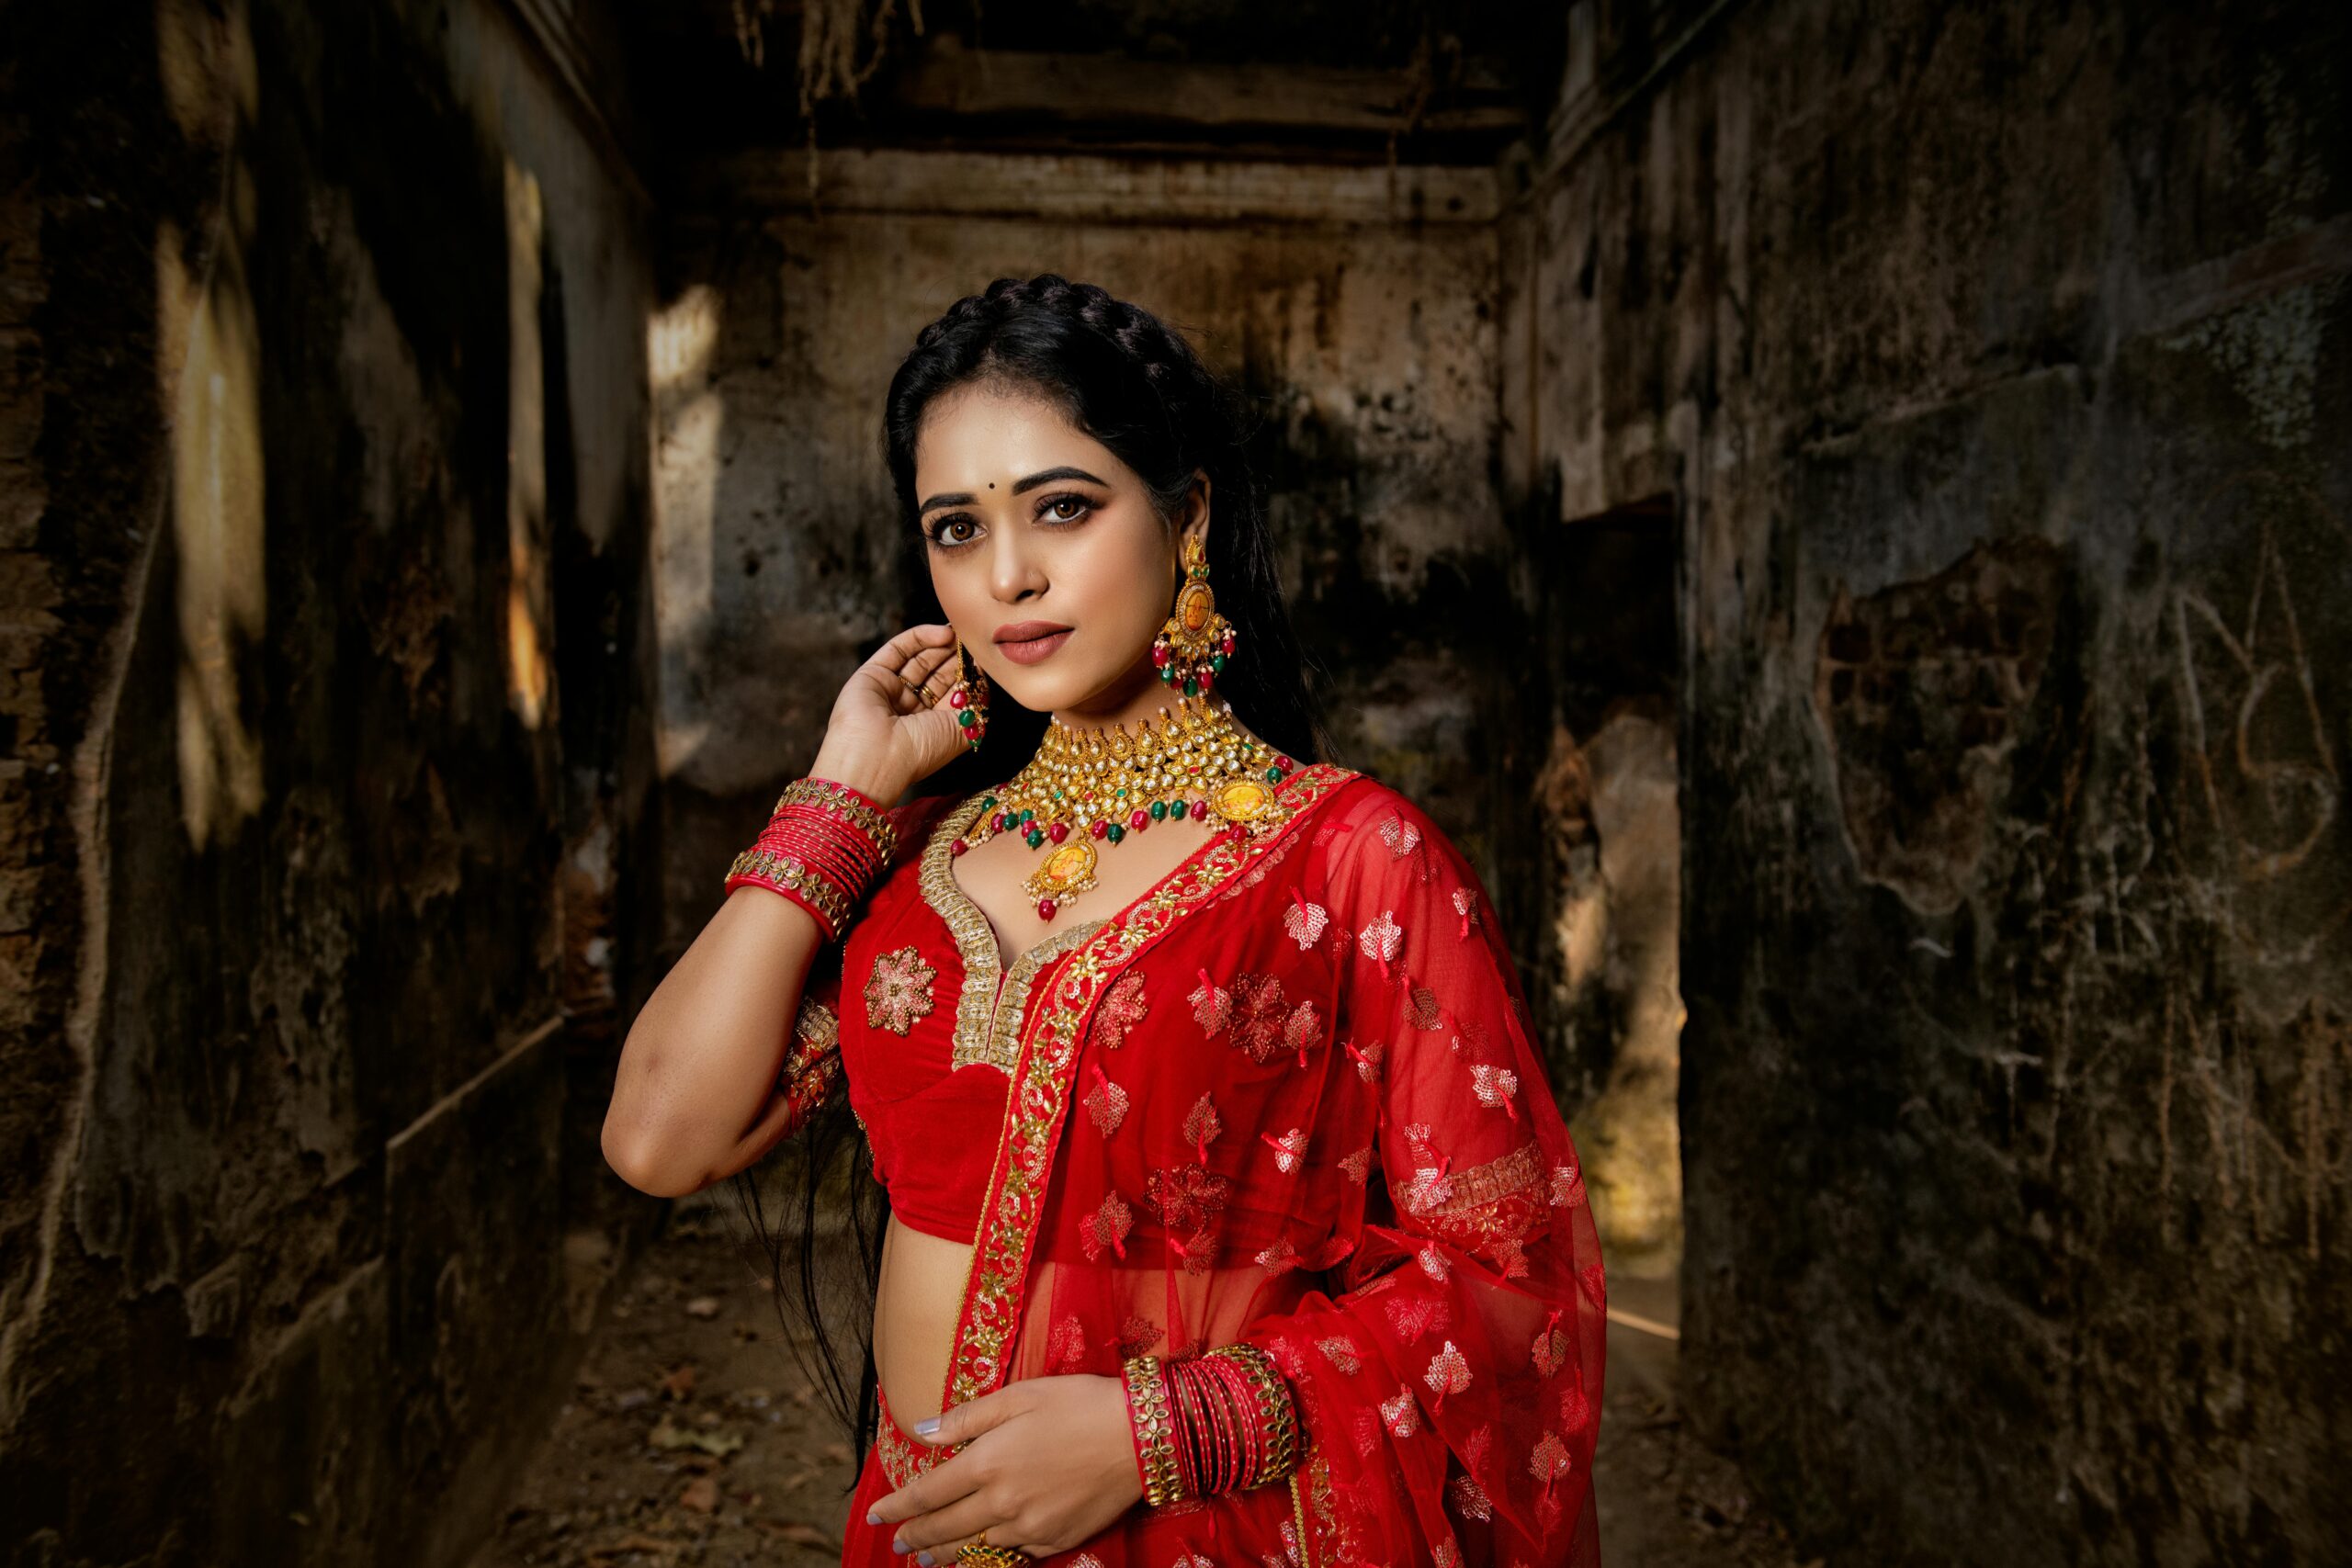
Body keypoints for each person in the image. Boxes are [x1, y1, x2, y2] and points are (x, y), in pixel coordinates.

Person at [603, 274, 1605, 1568]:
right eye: (955, 529)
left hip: (1204, 1531)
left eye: (1062, 508)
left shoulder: (1349, 861)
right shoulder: (913, 868)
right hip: (918, 1533)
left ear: (1188, 516)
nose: (1007, 576)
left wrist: (1165, 1433)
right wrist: (839, 797)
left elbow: (1513, 1286)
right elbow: (660, 1138)